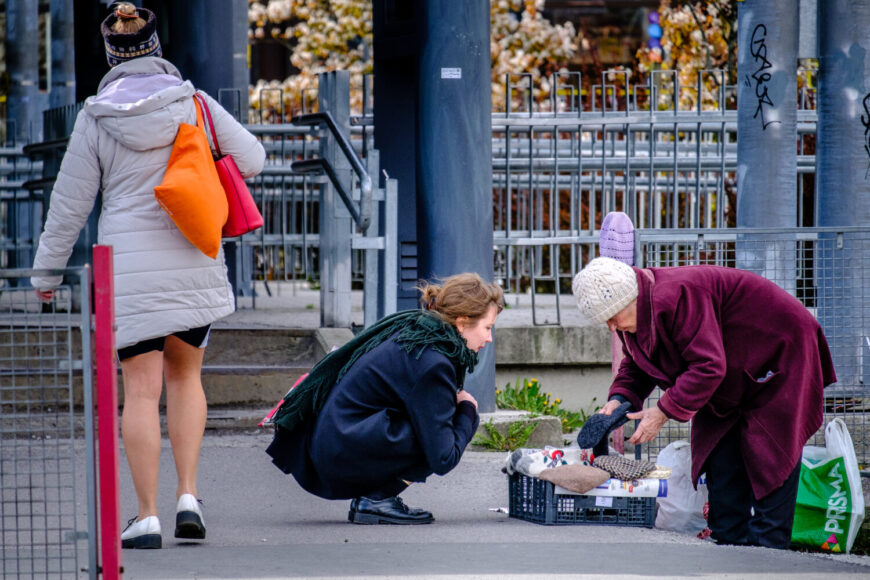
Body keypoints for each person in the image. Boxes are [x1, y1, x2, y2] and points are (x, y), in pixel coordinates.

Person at [30, 3, 265, 549]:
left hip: (129, 273)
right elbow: (252, 160)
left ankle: (146, 517)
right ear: (156, 49)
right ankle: (189, 497)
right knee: (186, 378)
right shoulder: (195, 103)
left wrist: (47, 275)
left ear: (111, 55)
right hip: (192, 260)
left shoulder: (95, 118)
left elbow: (69, 206)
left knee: (139, 391)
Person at [571, 257, 836, 549]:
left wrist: (662, 412)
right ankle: (730, 543)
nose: (612, 328)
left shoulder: (678, 296)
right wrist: (619, 401)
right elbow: (636, 365)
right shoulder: (633, 314)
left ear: (631, 297)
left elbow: (708, 366)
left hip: (782, 352)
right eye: (605, 321)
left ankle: (768, 551)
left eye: (613, 317)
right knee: (720, 456)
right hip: (733, 371)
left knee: (772, 454)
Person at [266, 273, 503, 524]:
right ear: (462, 322)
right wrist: (468, 411)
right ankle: (377, 500)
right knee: (451, 423)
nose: (489, 338)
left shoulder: (417, 331)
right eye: (487, 328)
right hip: (340, 451)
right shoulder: (434, 362)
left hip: (334, 441)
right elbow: (443, 458)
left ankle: (375, 499)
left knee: (439, 420)